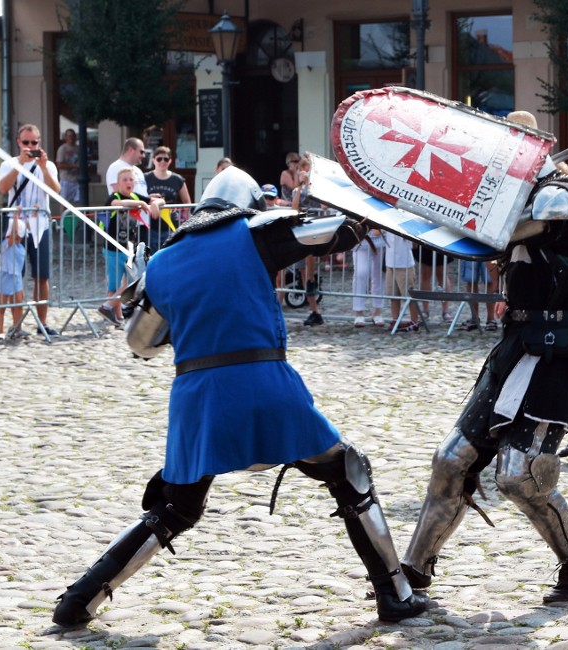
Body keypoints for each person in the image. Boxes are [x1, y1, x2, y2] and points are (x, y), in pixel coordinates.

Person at [51, 165, 429, 627]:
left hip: (196, 398)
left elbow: (140, 344)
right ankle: (395, 593)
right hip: (263, 383)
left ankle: (79, 601)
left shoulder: (163, 262)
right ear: (246, 204)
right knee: (349, 473)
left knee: (176, 507)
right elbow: (340, 232)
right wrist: (377, 201)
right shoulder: (255, 232)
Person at [401, 110, 568, 605]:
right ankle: (413, 571)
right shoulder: (519, 201)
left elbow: (500, 232)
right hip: (517, 347)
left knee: (518, 475)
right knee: (451, 460)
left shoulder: (560, 197)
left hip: (563, 351)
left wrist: (443, 206)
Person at [0, 123, 61, 337]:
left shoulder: (48, 166)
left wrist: (42, 167)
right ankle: (17, 325)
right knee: (16, 275)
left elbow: (56, 190)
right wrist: (19, 166)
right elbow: (3, 188)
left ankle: (42, 323)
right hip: (16, 224)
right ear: (18, 143)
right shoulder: (8, 164)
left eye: (34, 142)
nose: (31, 146)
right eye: (26, 142)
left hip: (40, 223)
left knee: (42, 276)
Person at [98, 167, 164, 326]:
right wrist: (140, 203)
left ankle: (111, 309)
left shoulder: (135, 195)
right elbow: (118, 203)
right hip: (113, 247)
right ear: (118, 184)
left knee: (131, 281)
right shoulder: (114, 196)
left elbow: (159, 200)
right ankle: (112, 312)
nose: (128, 182)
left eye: (131, 179)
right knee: (116, 283)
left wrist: (155, 203)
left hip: (128, 247)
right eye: (125, 180)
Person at [291, 156, 324, 326]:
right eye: (299, 172)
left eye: (304, 171)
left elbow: (323, 207)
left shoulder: (315, 189)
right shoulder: (296, 190)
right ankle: (313, 310)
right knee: (303, 273)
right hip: (300, 235)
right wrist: (300, 187)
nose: (301, 174)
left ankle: (315, 310)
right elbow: (294, 207)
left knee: (310, 274)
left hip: (313, 234)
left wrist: (310, 184)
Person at [144, 146, 191, 251]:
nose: (162, 162)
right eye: (159, 159)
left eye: (166, 159)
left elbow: (187, 201)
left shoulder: (177, 179)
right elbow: (138, 197)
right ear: (153, 160)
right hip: (151, 226)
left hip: (171, 225)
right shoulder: (145, 178)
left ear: (170, 161)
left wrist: (188, 223)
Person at [0, 209, 27, 342]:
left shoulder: (20, 246)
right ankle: (0, 331)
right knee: (2, 305)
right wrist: (15, 215)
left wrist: (34, 214)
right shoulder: (6, 244)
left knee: (19, 303)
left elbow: (28, 228)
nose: (18, 238)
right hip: (5, 276)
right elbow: (13, 233)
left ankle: (17, 327)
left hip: (17, 276)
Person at [384, 231, 419, 332]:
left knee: (409, 294)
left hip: (404, 263)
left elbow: (415, 244)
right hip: (390, 261)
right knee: (393, 294)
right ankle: (395, 319)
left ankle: (414, 320)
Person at [352, 228, 386, 327]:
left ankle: (377, 311)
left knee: (379, 275)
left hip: (381, 239)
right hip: (361, 239)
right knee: (360, 273)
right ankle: (359, 312)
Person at [457, 259, 498, 332]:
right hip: (471, 249)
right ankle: (474, 318)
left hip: (490, 249)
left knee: (490, 280)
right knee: (470, 280)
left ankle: (491, 319)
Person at [55, 129, 80, 204]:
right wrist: (74, 166)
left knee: (78, 202)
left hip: (77, 180)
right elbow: (59, 165)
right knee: (64, 202)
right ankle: (63, 216)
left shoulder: (78, 148)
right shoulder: (62, 149)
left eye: (73, 136)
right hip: (66, 180)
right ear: (66, 137)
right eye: (69, 136)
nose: (71, 138)